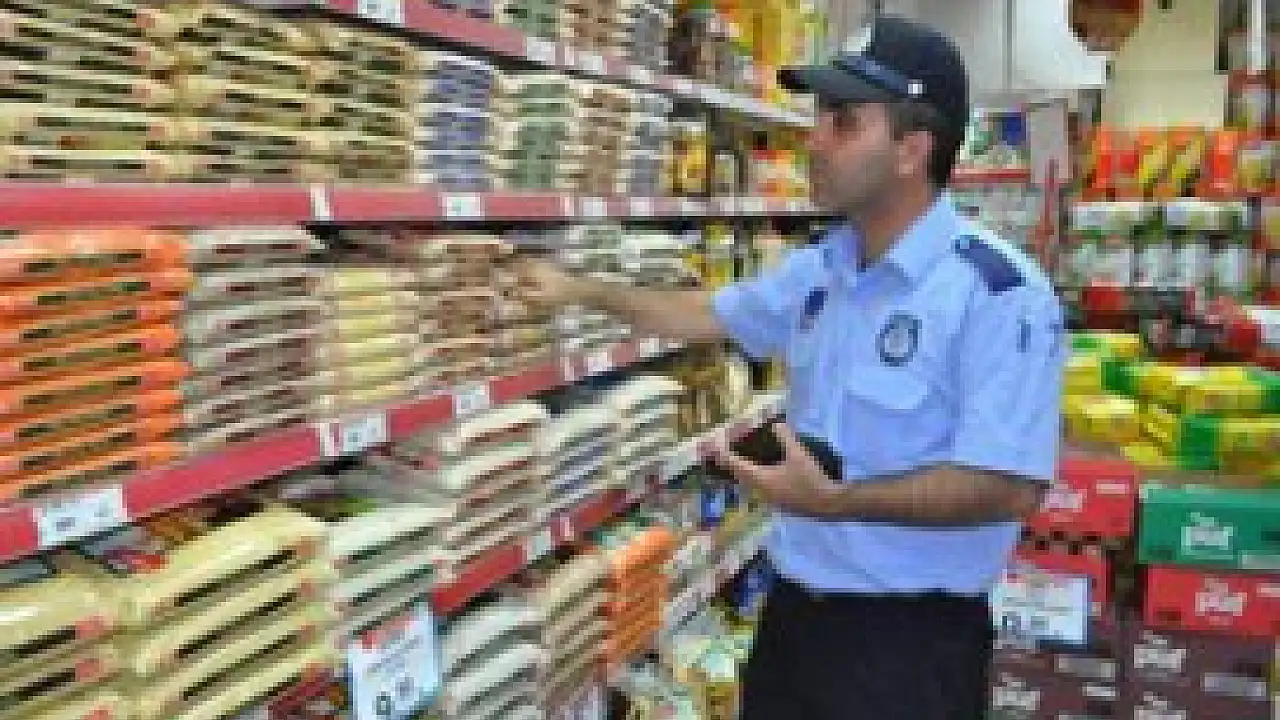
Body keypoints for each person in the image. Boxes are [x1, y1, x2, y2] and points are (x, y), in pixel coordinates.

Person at [521, 14, 1066, 720]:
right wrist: (580, 291)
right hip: (793, 627)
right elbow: (705, 314)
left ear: (911, 149)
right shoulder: (823, 268)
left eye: (843, 122)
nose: (814, 140)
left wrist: (841, 501)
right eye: (819, 117)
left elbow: (1007, 485)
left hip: (907, 651)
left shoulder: (996, 294)